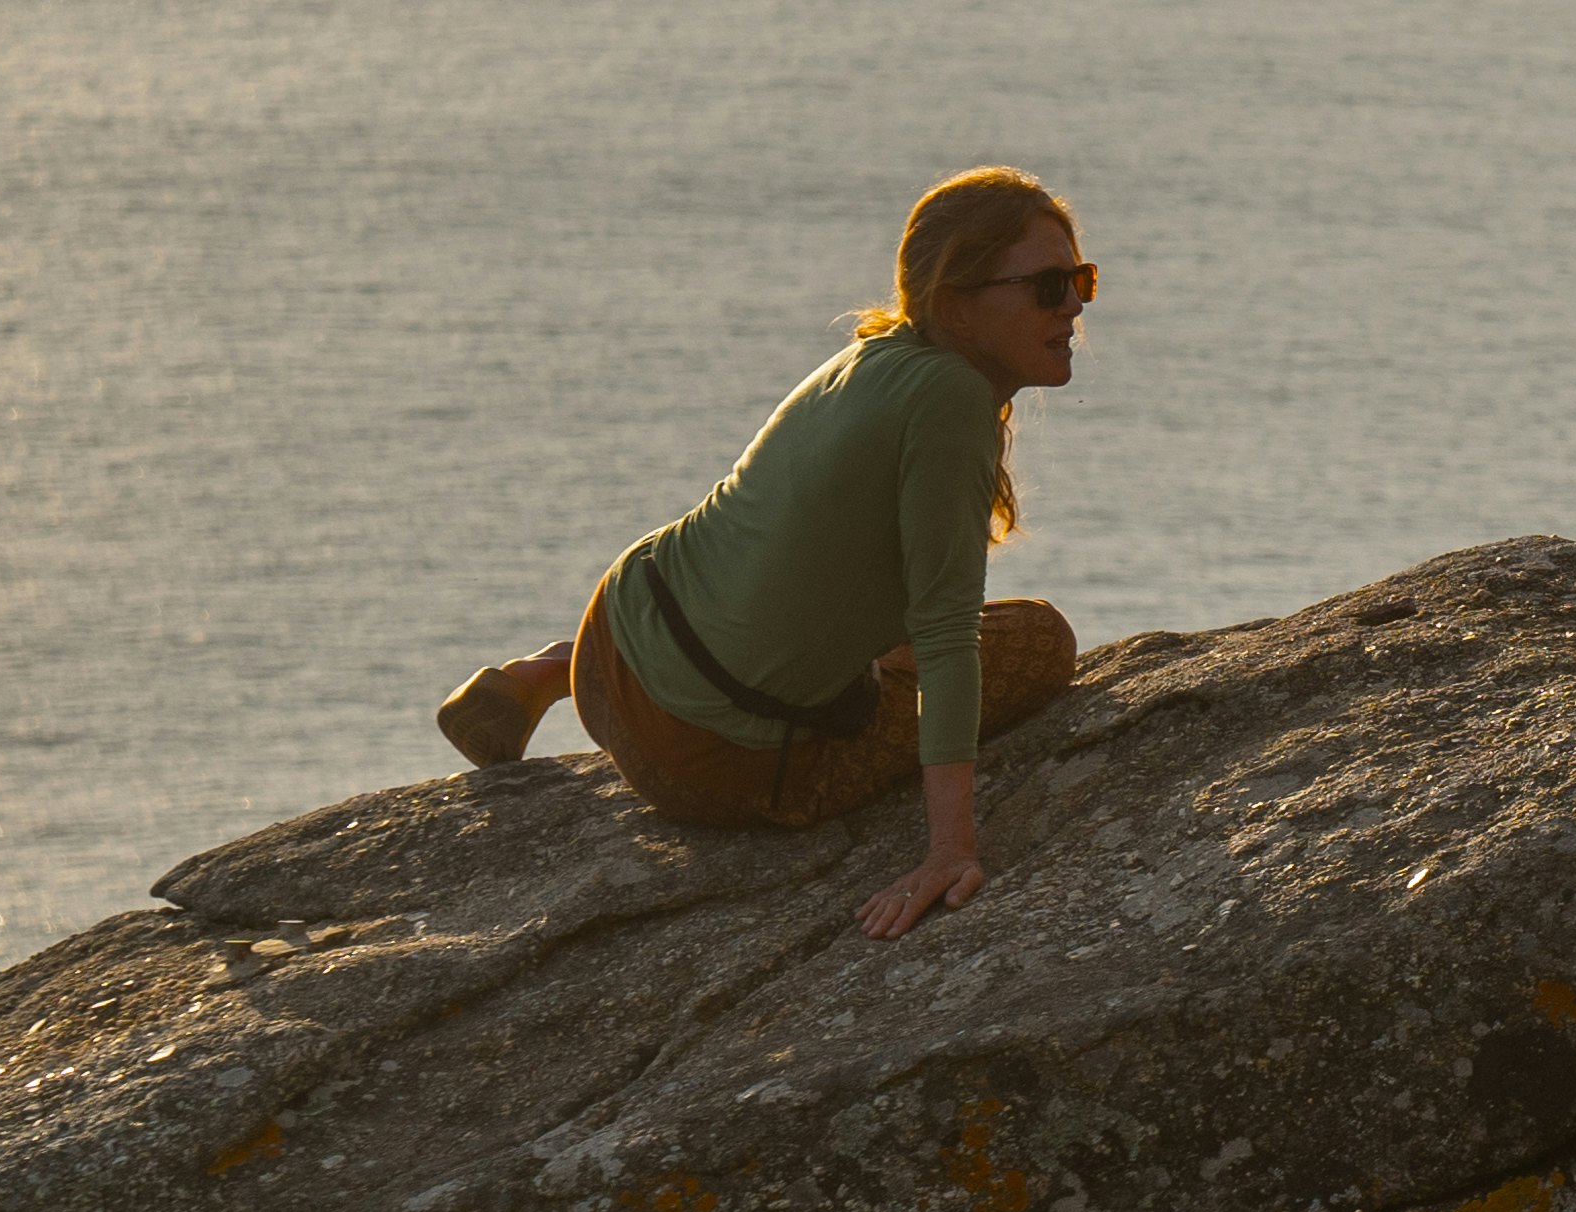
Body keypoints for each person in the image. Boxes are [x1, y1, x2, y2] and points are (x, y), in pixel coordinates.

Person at [432, 167, 1093, 943]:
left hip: (616, 645)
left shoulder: (872, 354)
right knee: (1038, 640)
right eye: (1050, 286)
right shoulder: (949, 399)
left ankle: (547, 671)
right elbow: (947, 636)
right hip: (705, 763)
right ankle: (560, 672)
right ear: (957, 304)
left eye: (1080, 279)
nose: (1076, 305)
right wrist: (950, 850)